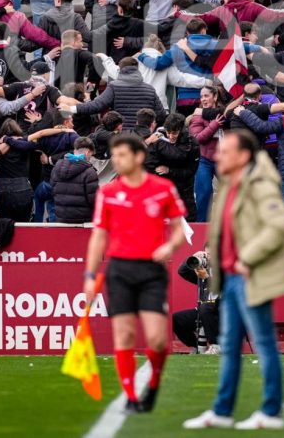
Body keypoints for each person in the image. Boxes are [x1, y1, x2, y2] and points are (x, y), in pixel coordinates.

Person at [183, 129, 284, 430]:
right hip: (230, 280)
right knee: (229, 346)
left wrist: (249, 257)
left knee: (263, 343)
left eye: (226, 150)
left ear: (244, 155)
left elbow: (279, 224)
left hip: (250, 277)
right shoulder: (233, 185)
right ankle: (222, 410)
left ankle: (270, 412)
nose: (219, 155)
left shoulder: (260, 185)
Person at [84, 132, 187, 413]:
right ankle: (130, 396)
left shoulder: (163, 188)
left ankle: (153, 384)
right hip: (119, 271)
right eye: (114, 155)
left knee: (157, 339)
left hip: (152, 271)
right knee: (125, 337)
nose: (116, 161)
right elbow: (98, 237)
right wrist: (90, 277)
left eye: (121, 155)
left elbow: (179, 229)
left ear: (139, 157)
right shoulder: (107, 192)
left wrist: (169, 246)